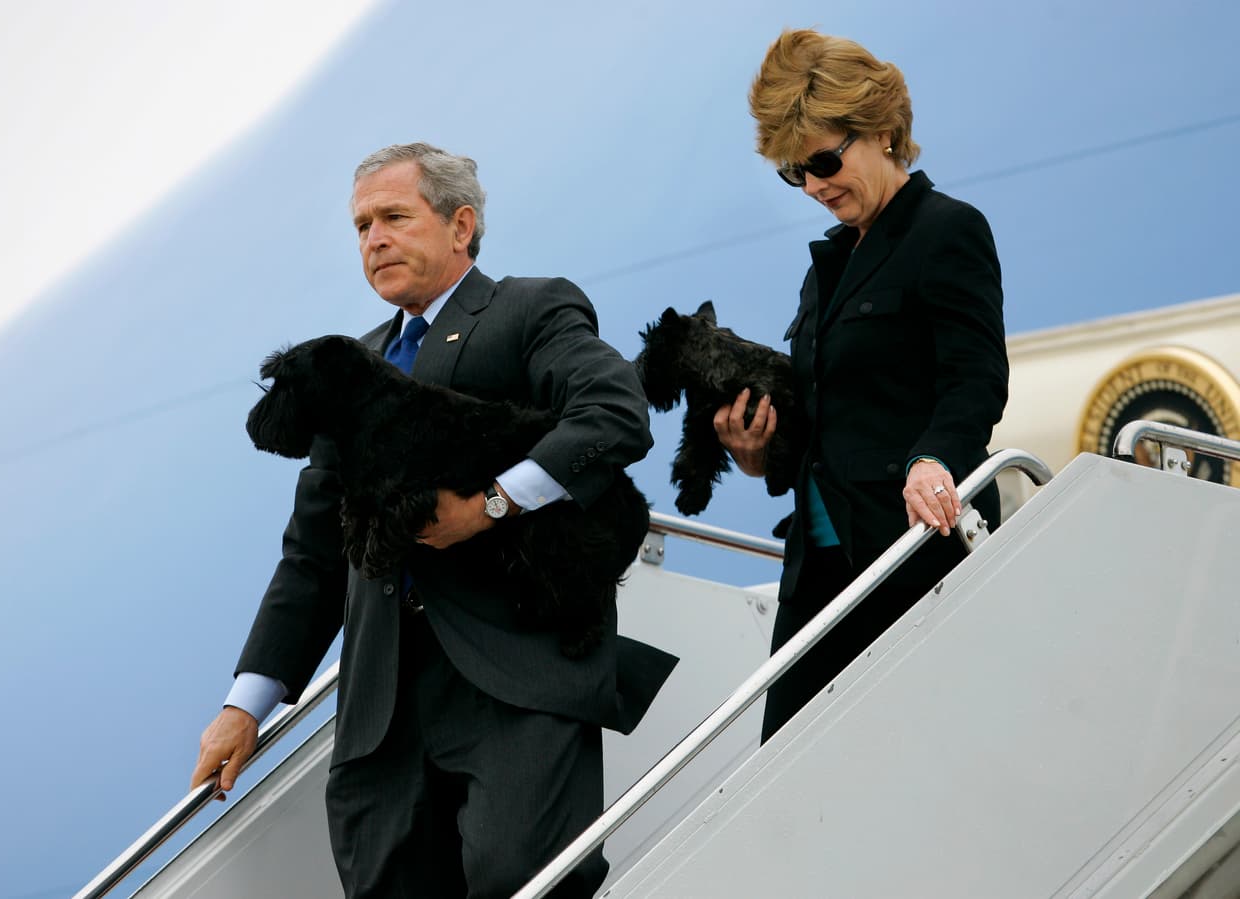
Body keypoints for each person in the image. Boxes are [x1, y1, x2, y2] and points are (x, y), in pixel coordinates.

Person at [190, 142, 676, 898]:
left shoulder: (529, 307)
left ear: (461, 225)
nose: (373, 238)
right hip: (381, 709)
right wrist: (243, 703)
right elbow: (312, 558)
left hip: (517, 675)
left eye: (393, 216)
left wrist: (491, 504)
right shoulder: (343, 365)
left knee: (526, 879)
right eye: (360, 226)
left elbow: (613, 415)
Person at [714, 29, 1009, 742]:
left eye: (821, 160)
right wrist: (761, 453)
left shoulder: (948, 230)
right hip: (816, 569)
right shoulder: (829, 265)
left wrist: (934, 458)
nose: (814, 185)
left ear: (878, 129)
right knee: (783, 770)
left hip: (911, 553)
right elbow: (832, 416)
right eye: (795, 173)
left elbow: (975, 379)